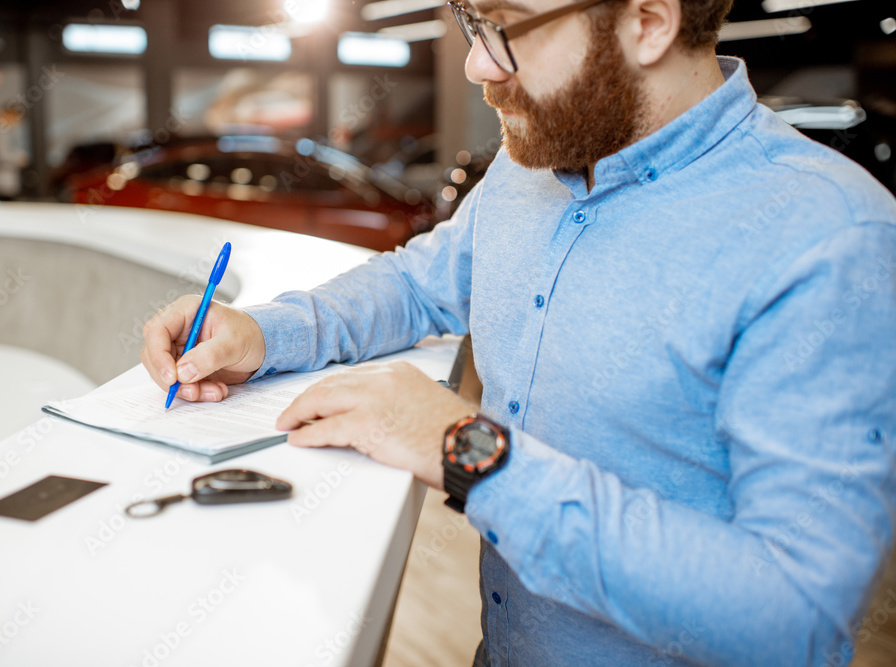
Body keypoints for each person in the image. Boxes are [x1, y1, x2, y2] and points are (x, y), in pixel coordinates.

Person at [141, 0, 896, 664]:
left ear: (648, 21)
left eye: (503, 24)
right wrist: (263, 333)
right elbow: (417, 281)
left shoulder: (830, 237)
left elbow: (791, 619)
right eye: (471, 20)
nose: (476, 62)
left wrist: (467, 450)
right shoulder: (530, 159)